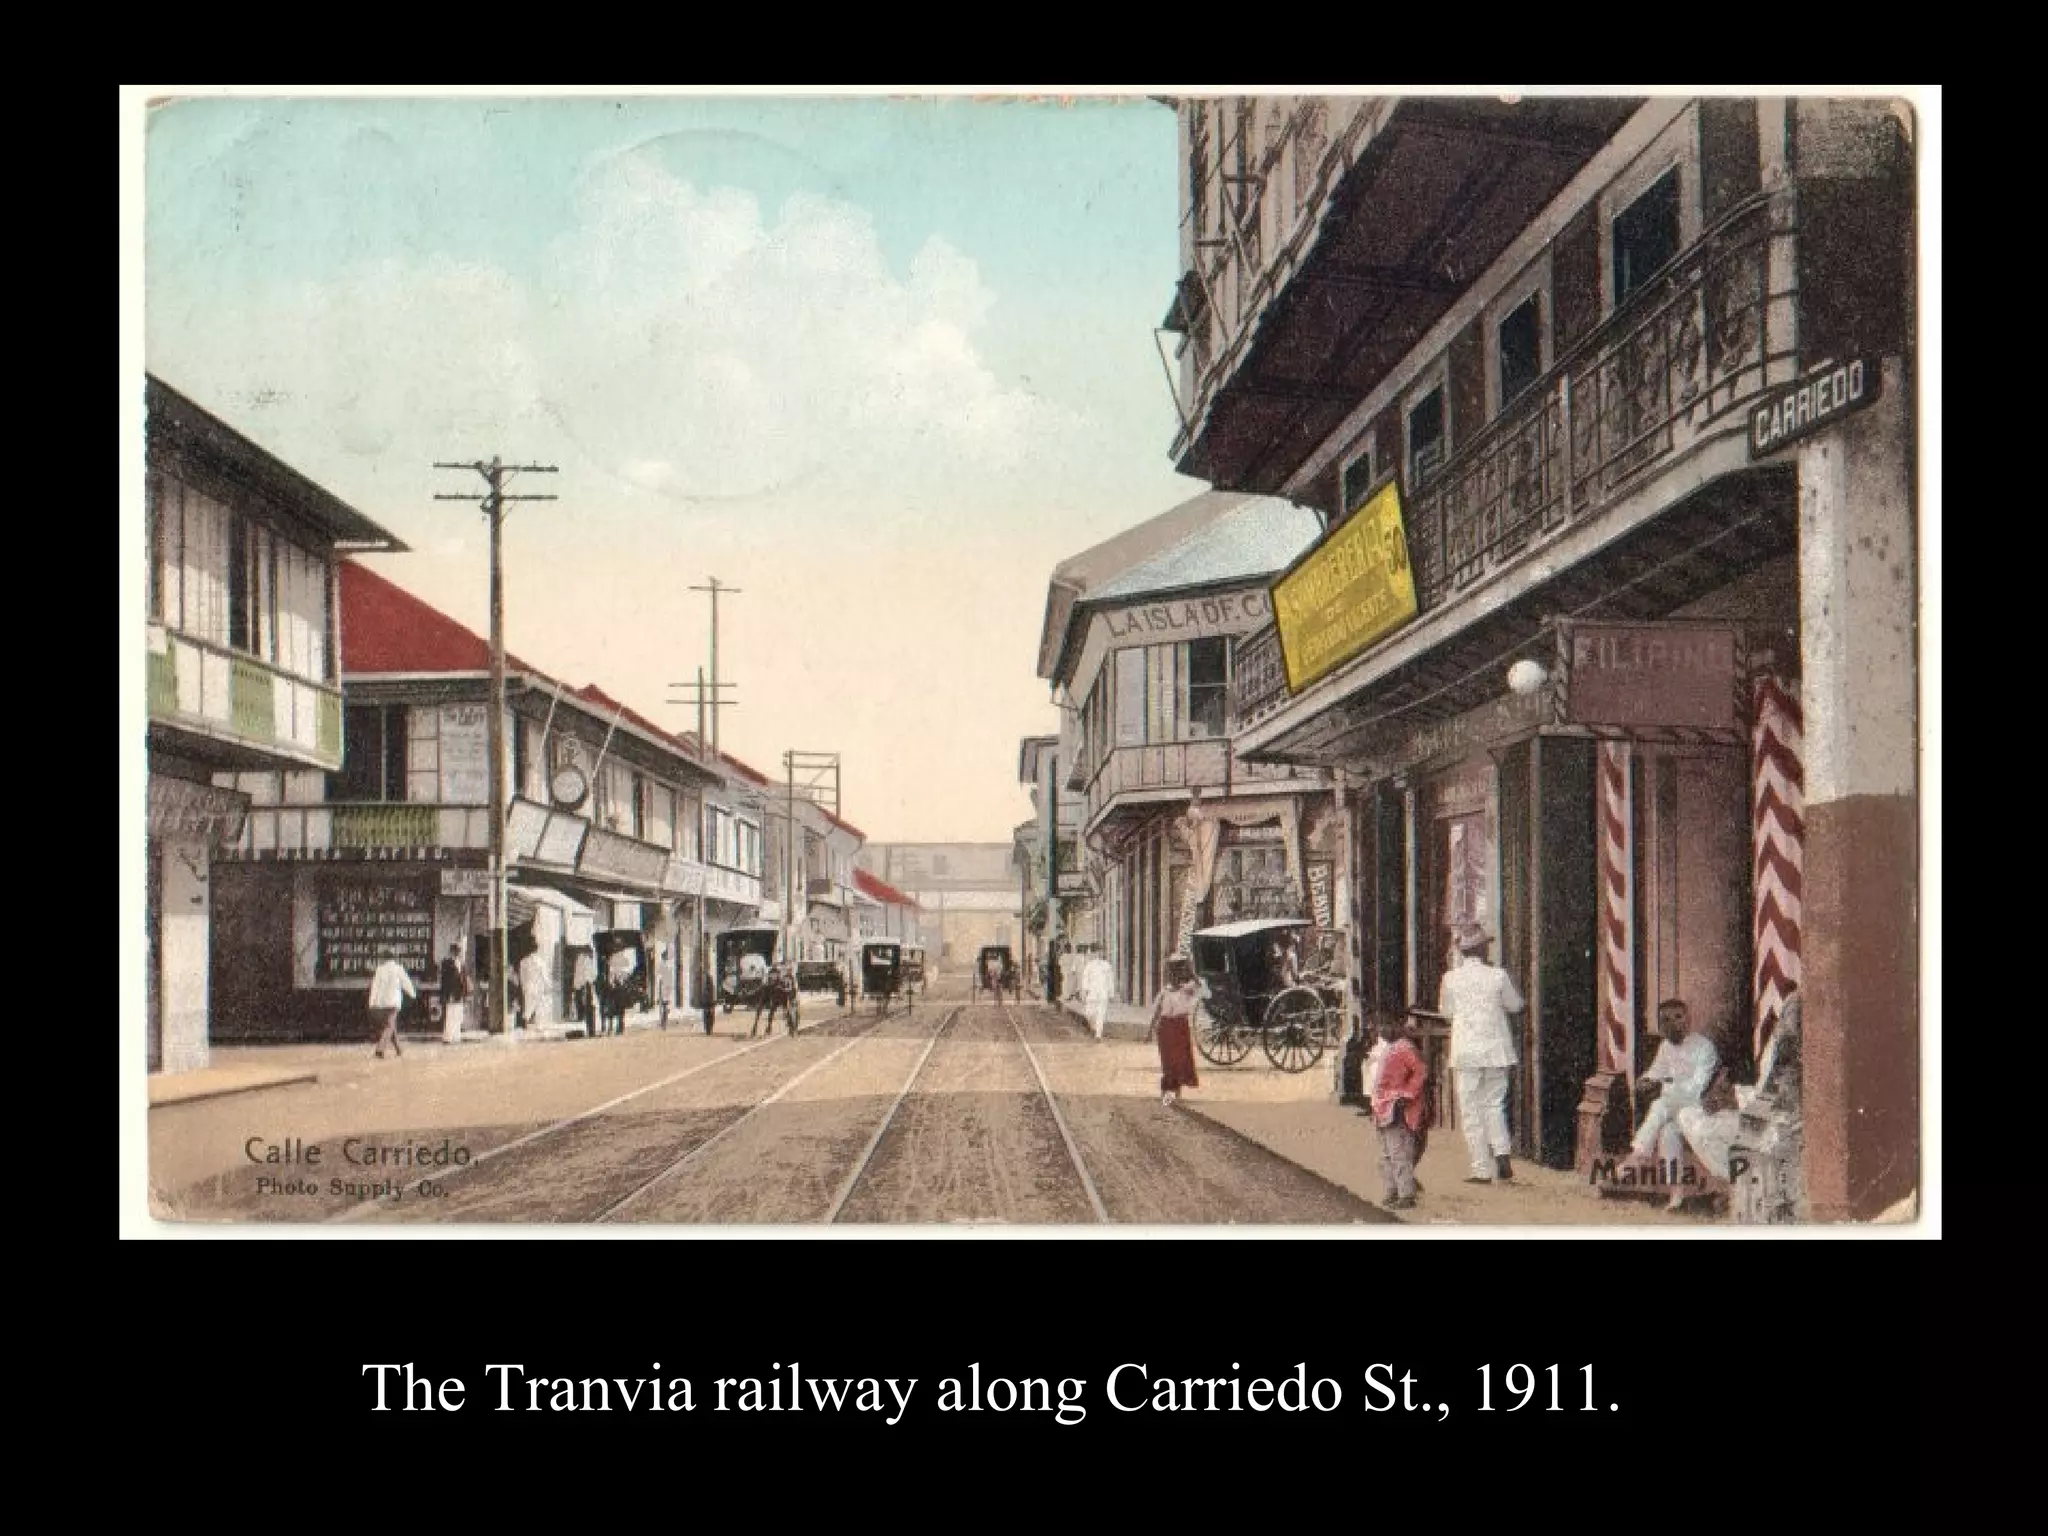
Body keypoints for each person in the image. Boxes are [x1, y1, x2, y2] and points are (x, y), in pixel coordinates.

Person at [1438, 923, 1525, 1185]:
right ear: (1483, 948)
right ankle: (1502, 1155)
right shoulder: (1498, 976)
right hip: (1496, 1050)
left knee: (1470, 1109)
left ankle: (1480, 1168)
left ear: (1463, 952)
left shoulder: (1450, 979)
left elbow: (1446, 1012)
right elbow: (1515, 1005)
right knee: (1494, 1104)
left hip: (1466, 1051)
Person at [1631, 998, 1721, 1210]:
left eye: (1678, 1017)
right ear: (1661, 1025)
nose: (1673, 1024)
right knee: (1667, 1133)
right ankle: (1677, 1196)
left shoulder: (1704, 1047)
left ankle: (1638, 1154)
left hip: (1698, 1109)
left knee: (1660, 1106)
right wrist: (1646, 1079)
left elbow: (1698, 1088)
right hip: (1675, 1111)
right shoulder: (1665, 1047)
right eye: (1666, 1020)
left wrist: (1666, 1083)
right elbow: (1656, 1071)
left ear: (1688, 1019)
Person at [1369, 1010, 1430, 1210]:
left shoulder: (1402, 1048)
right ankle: (1393, 1190)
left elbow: (1420, 1072)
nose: (1382, 1029)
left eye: (1387, 1024)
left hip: (1397, 1107)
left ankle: (1405, 1194)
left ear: (1399, 1025)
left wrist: (1407, 1094)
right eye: (1380, 1025)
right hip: (1383, 1106)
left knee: (1398, 1153)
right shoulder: (1389, 1048)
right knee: (1388, 1154)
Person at [1145, 954, 1203, 1107]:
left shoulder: (1187, 989)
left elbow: (1202, 988)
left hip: (1180, 1026)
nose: (1174, 978)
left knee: (1180, 1060)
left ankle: (1175, 1092)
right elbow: (1155, 1012)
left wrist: (1191, 972)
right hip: (1165, 1028)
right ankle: (1168, 1092)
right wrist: (1149, 1031)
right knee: (1168, 1061)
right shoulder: (1164, 992)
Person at [368, 954, 417, 1059]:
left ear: (385, 958)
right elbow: (406, 982)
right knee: (389, 1026)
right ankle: (380, 1049)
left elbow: (375, 986)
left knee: (390, 1025)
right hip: (394, 1002)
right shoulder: (398, 969)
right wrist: (412, 994)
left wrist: (372, 1002)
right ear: (394, 958)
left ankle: (399, 1049)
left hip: (381, 1002)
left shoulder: (379, 970)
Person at [1078, 947, 1115, 1042]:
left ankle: (1098, 1035)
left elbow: (1110, 980)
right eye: (1094, 953)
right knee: (1089, 1013)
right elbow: (1085, 980)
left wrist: (1111, 993)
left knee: (1101, 1014)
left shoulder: (1106, 965)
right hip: (1092, 993)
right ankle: (1094, 1028)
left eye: (1098, 952)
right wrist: (1084, 992)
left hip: (1103, 993)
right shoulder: (1089, 966)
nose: (1096, 955)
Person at [438, 943, 469, 1046]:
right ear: (452, 951)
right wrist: (447, 993)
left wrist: (465, 992)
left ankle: (456, 1035)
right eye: (456, 951)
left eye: (458, 951)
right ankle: (448, 1036)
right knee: (450, 1014)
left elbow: (463, 978)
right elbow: (445, 980)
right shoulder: (446, 963)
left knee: (458, 1014)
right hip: (451, 991)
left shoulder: (461, 963)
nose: (457, 953)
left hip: (459, 992)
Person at [516, 947, 550, 1033]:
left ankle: (525, 1024)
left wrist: (523, 987)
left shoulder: (523, 962)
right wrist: (547, 986)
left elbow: (522, 976)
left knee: (528, 1007)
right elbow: (544, 976)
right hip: (538, 987)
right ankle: (539, 1026)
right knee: (539, 1006)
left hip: (529, 986)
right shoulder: (541, 961)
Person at [572, 946, 598, 1037]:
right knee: (589, 1009)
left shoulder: (583, 960)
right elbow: (589, 975)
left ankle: (591, 1030)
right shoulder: (585, 960)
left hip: (584, 986)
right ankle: (591, 1031)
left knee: (589, 1009)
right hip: (585, 986)